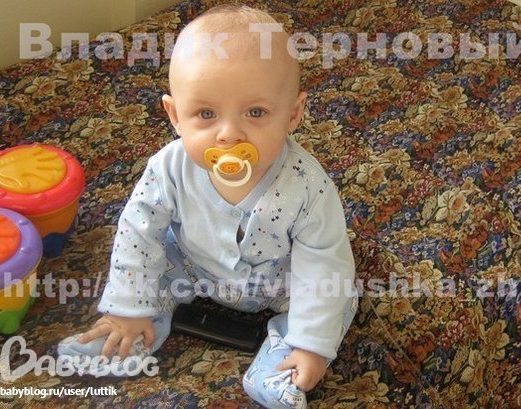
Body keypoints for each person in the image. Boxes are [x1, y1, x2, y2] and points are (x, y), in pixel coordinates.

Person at [58, 5, 358, 408]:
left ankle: (282, 364)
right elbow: (138, 232)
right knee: (154, 264)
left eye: (255, 112)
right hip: (193, 266)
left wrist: (312, 343)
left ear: (293, 114)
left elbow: (323, 262)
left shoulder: (308, 187)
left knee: (336, 294)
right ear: (175, 115)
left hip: (282, 280)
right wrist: (129, 306)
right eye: (205, 114)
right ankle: (135, 327)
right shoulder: (168, 168)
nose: (229, 134)